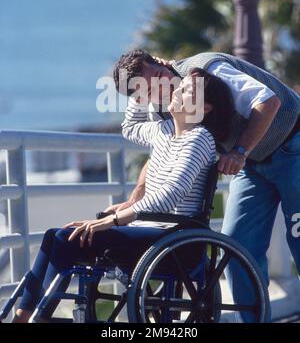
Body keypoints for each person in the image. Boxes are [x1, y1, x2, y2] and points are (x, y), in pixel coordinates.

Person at [11, 68, 235, 323]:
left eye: (187, 90)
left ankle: (39, 318)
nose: (177, 90)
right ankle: (22, 317)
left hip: (172, 238)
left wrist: (114, 220)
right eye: (180, 86)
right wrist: (140, 85)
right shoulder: (164, 131)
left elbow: (171, 195)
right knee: (54, 236)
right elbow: (131, 127)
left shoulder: (200, 139)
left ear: (205, 108)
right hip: (148, 232)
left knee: (67, 239)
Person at [112, 49, 300, 321]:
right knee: (237, 245)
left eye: (157, 73)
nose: (161, 83)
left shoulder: (207, 69)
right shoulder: (168, 107)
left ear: (160, 62)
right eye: (150, 86)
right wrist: (135, 199)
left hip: (291, 146)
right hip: (252, 164)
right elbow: (154, 148)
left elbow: (268, 102)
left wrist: (239, 151)